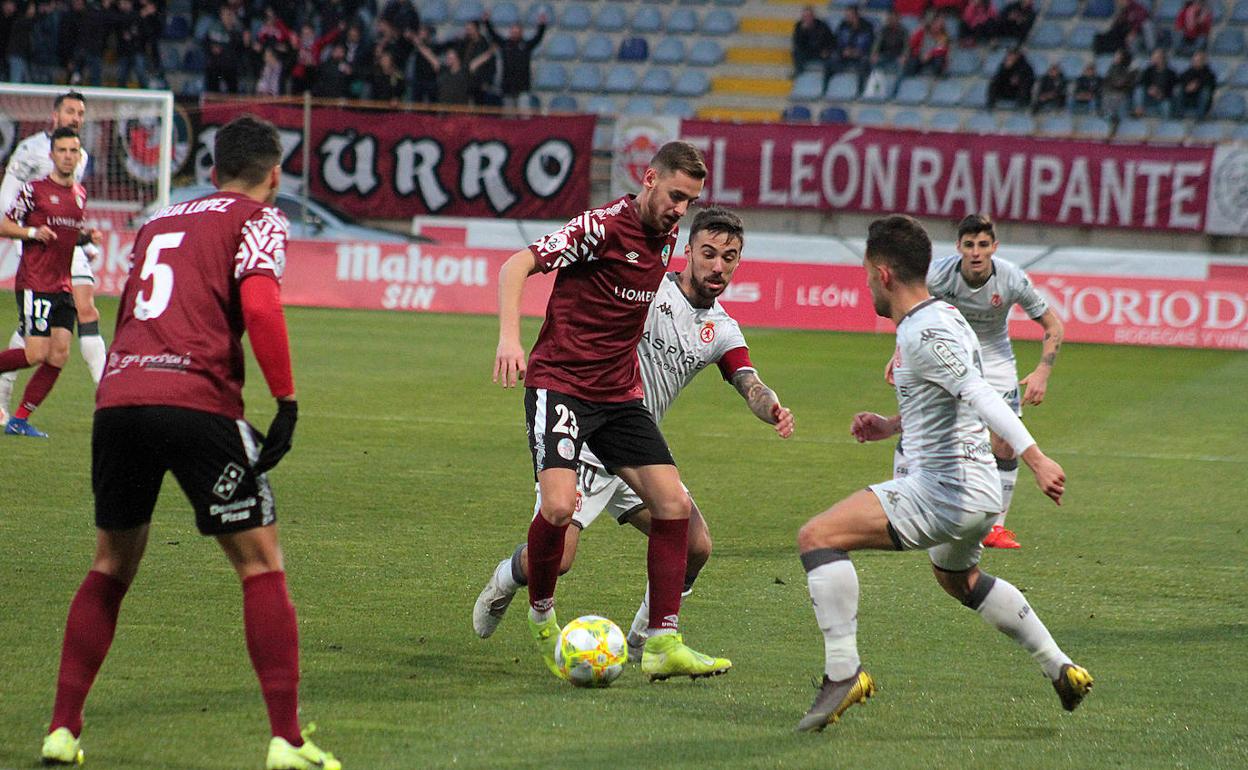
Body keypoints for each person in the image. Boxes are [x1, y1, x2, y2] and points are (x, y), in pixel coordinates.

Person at [36, 115, 340, 770]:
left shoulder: (159, 220)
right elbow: (260, 305)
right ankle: (287, 740)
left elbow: (131, 311)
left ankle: (62, 729)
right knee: (260, 564)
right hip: (196, 400)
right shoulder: (260, 218)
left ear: (212, 170)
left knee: (109, 566)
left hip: (120, 398)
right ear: (274, 175)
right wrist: (286, 401)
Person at [794, 214, 1092, 733]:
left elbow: (979, 394)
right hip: (979, 494)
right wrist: (891, 425)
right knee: (958, 579)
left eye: (866, 275)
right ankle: (1059, 666)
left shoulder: (924, 332)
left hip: (945, 489)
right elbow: (949, 398)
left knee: (817, 536)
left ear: (883, 274)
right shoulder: (946, 316)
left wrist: (1036, 458)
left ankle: (843, 673)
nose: (867, 286)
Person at [473, 208, 795, 660]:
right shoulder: (648, 289)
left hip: (635, 450)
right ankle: (507, 578)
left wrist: (771, 406)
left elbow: (749, 382)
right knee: (558, 561)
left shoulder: (722, 330)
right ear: (688, 252)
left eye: (729, 257)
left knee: (697, 545)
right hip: (587, 440)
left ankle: (645, 637)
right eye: (708, 253)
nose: (718, 266)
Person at [492, 141, 732, 682]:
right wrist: (510, 339)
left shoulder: (667, 236)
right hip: (561, 385)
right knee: (558, 508)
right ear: (649, 179)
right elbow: (516, 265)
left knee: (673, 505)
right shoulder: (599, 228)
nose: (680, 209)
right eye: (675, 195)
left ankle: (663, 641)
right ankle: (541, 615)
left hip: (618, 395)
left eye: (689, 201)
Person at [900, 214, 1064, 549]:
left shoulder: (1012, 278)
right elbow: (909, 312)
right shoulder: (938, 275)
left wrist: (1042, 372)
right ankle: (905, 506)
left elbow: (1053, 325)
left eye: (983, 245)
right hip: (947, 350)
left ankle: (996, 528)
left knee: (1005, 441)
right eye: (970, 245)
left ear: (994, 247)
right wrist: (900, 353)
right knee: (922, 420)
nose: (976, 252)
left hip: (994, 357)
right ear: (959, 247)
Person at [0, 92, 106, 428]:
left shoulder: (80, 186)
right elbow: (5, 217)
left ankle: (20, 419)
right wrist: (31, 233)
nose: (69, 156)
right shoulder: (32, 175)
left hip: (64, 274)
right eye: (62, 151)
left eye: (81, 113)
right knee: (35, 351)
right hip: (37, 272)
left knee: (60, 351)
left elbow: (66, 224)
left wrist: (85, 241)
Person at [483, 9, 547, 108]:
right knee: (509, 115)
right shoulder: (505, 44)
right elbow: (493, 35)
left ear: (521, 32)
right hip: (507, 88)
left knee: (524, 113)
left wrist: (542, 25)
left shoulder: (526, 45)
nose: (515, 32)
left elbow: (538, 38)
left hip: (523, 88)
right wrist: (487, 22)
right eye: (513, 30)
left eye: (517, 31)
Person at [792, 6, 835, 79]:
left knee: (831, 57)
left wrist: (827, 50)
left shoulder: (822, 25)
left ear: (813, 16)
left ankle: (828, 75)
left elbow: (831, 40)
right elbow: (797, 43)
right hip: (807, 52)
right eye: (805, 16)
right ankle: (798, 71)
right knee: (796, 52)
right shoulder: (799, 27)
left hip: (820, 51)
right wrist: (802, 32)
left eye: (809, 16)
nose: (807, 18)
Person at [1173, 50, 1216, 120]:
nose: (1195, 62)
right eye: (1194, 60)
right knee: (1178, 89)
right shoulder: (1187, 72)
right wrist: (1186, 87)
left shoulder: (1209, 74)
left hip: (1200, 100)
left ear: (1203, 61)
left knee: (1205, 92)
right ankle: (1178, 115)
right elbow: (1180, 81)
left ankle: (1200, 117)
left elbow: (1211, 86)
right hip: (1188, 98)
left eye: (1198, 60)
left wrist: (1197, 86)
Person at [1135, 47, 1176, 118]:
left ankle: (1165, 120)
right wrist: (1149, 89)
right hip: (1148, 98)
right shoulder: (1148, 70)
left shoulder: (1171, 73)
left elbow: (1173, 89)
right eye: (1153, 57)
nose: (1153, 59)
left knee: (1167, 105)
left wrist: (1161, 94)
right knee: (1139, 89)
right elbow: (1140, 82)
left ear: (1163, 58)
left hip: (1162, 99)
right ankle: (1139, 110)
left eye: (1157, 57)